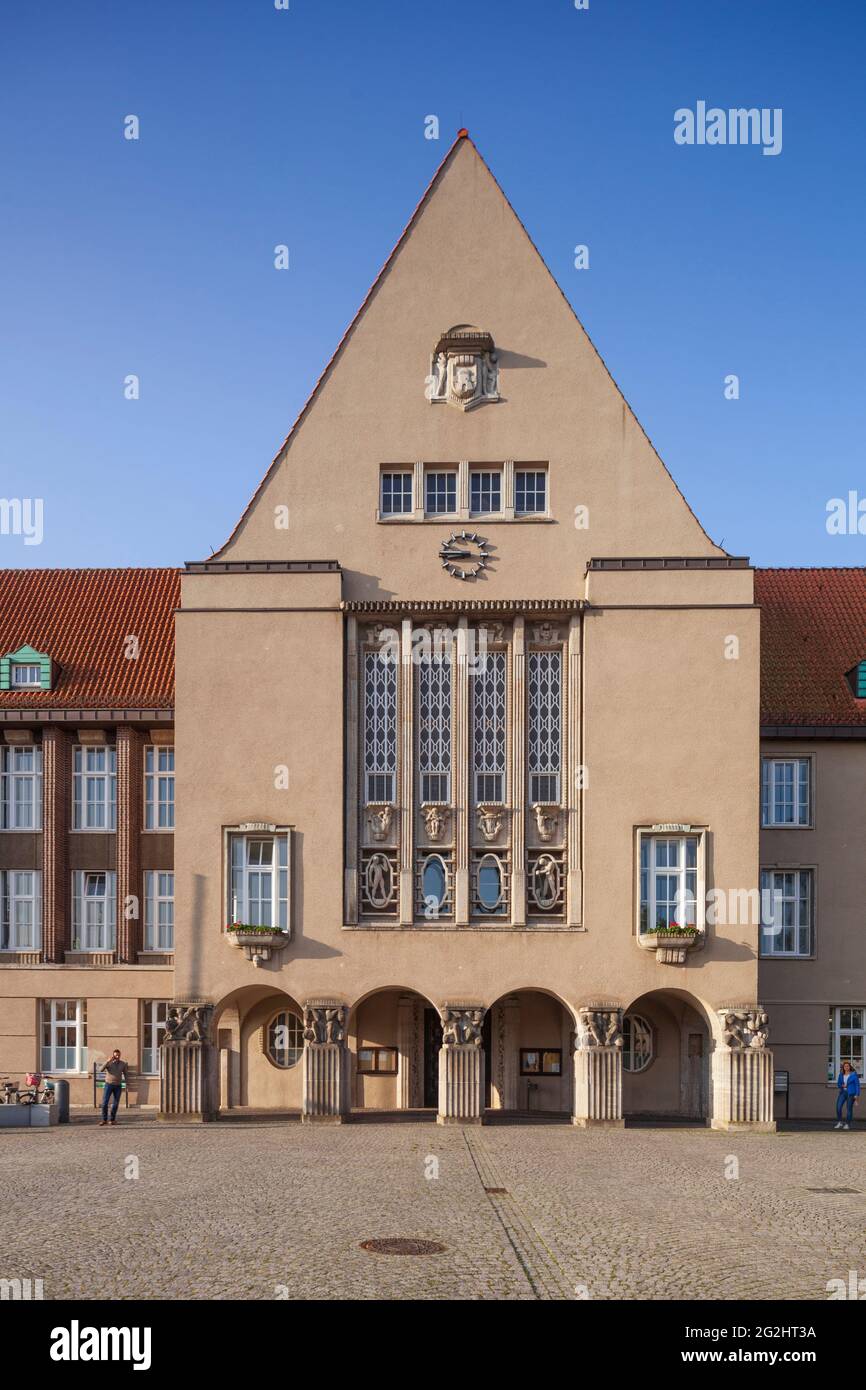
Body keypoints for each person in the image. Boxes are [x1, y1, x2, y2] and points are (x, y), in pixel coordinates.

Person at [100, 1049, 128, 1126]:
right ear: (113, 1055)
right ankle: (104, 1119)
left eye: (118, 1055)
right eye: (116, 1055)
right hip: (108, 1084)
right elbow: (101, 1069)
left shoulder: (123, 1064)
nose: (117, 1057)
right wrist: (107, 1061)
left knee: (116, 1103)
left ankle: (112, 1119)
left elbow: (126, 1074)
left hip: (118, 1085)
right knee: (104, 1103)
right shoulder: (109, 1063)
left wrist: (127, 1084)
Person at [835, 1059, 860, 1130]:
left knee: (849, 1109)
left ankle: (847, 1124)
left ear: (850, 1067)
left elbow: (857, 1085)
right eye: (845, 1066)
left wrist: (857, 1094)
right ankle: (840, 1122)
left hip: (851, 1093)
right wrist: (842, 1086)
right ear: (843, 1067)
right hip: (843, 1093)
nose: (846, 1067)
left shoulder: (854, 1075)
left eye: (847, 1066)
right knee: (838, 1107)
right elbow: (839, 1084)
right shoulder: (841, 1075)